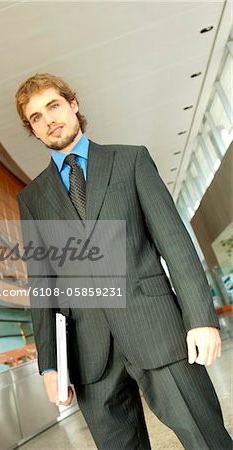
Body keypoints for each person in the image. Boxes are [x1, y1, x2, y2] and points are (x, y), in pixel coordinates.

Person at [15, 73, 231, 449]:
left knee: (207, 439)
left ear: (73, 104)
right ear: (32, 130)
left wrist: (200, 318)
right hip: (89, 357)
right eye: (36, 117)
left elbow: (175, 243)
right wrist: (50, 364)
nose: (48, 119)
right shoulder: (33, 198)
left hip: (158, 331)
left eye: (53, 106)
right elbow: (42, 284)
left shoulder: (130, 160)